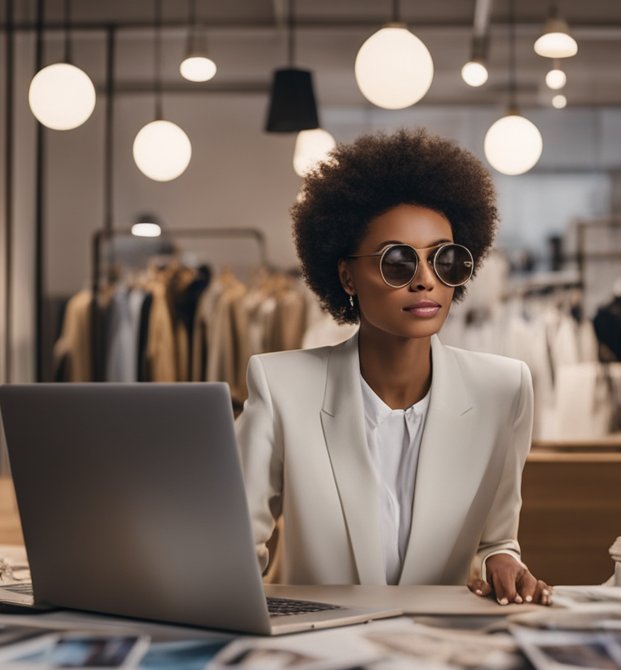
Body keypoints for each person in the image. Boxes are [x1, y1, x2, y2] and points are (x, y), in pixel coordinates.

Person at [236, 129, 551, 606]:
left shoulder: (503, 389)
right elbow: (234, 546)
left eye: (445, 259)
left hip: (440, 652)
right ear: (346, 275)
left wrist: (503, 562)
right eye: (398, 262)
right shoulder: (282, 387)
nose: (426, 280)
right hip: (316, 648)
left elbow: (498, 538)